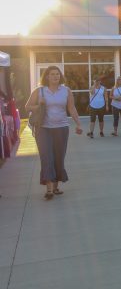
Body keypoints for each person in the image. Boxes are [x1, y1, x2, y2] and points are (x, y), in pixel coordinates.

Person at [25, 66, 83, 199]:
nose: (55, 76)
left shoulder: (66, 90)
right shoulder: (39, 91)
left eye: (57, 74)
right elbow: (27, 107)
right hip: (43, 129)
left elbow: (71, 108)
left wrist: (78, 123)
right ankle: (49, 189)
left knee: (58, 158)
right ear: (46, 76)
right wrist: (39, 105)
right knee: (47, 158)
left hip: (61, 128)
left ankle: (56, 187)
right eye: (52, 74)